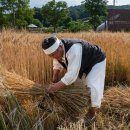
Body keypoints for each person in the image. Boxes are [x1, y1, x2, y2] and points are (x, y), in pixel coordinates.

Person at [41, 36, 106, 127]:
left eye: (53, 54)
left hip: (95, 59)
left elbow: (72, 75)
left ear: (60, 47)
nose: (53, 57)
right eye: (50, 56)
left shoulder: (73, 49)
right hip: (82, 63)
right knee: (78, 86)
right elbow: (57, 62)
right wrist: (55, 78)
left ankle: (92, 113)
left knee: (92, 86)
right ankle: (79, 106)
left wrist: (55, 87)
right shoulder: (57, 51)